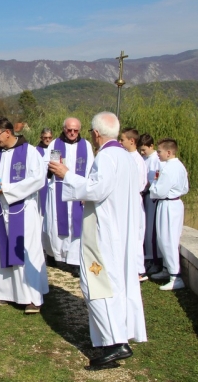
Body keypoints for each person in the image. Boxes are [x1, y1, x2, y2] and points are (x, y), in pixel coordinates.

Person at [49, 111, 147, 366]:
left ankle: (115, 342)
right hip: (120, 230)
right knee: (114, 285)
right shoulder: (126, 157)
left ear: (95, 133)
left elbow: (96, 188)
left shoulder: (105, 157)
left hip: (103, 234)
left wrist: (66, 175)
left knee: (95, 284)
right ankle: (118, 333)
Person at [0, 117, 48, 313]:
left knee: (26, 252)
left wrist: (8, 189)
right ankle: (6, 292)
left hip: (23, 211)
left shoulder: (29, 152)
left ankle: (32, 298)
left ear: (8, 132)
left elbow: (38, 179)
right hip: (0, 211)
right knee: (1, 250)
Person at [43, 117, 94, 271]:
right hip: (58, 189)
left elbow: (91, 169)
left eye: (75, 130)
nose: (72, 133)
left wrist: (87, 193)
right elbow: (48, 165)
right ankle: (57, 256)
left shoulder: (86, 145)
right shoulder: (55, 144)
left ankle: (74, 260)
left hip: (79, 191)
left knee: (76, 224)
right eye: (69, 130)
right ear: (64, 128)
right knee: (57, 222)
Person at [149, 138, 189, 290]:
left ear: (169, 152)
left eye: (159, 151)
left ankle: (175, 276)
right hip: (174, 203)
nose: (158, 154)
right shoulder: (179, 166)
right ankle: (167, 269)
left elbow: (159, 190)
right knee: (165, 237)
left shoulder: (169, 168)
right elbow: (185, 188)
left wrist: (153, 186)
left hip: (168, 204)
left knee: (168, 239)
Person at [120, 128, 148, 281]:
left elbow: (138, 184)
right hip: (126, 200)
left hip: (133, 200)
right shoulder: (126, 156)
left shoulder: (137, 160)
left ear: (132, 141)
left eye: (123, 139)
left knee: (136, 235)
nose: (120, 142)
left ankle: (138, 270)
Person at [138, 133, 162, 273]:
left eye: (144, 149)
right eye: (141, 150)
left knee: (151, 229)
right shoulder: (144, 158)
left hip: (150, 196)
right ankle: (147, 258)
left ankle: (154, 260)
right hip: (143, 196)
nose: (142, 152)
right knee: (144, 228)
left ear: (151, 146)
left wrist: (145, 186)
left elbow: (152, 180)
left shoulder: (155, 160)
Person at [36, 128, 53, 220]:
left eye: (50, 138)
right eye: (45, 137)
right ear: (41, 138)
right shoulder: (35, 151)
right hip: (42, 184)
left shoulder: (55, 150)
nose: (48, 140)